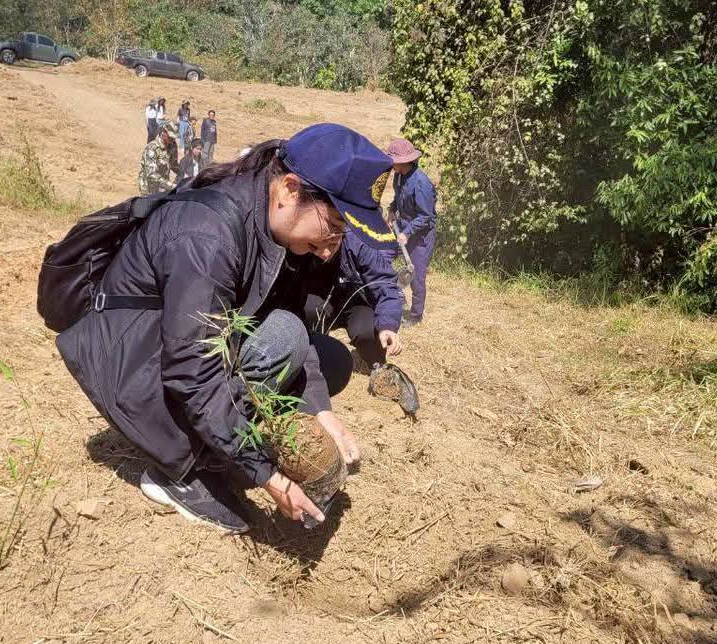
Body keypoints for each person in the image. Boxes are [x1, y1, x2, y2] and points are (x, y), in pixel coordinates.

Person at [56, 123, 394, 532]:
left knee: (326, 358)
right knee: (286, 335)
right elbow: (191, 370)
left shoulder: (267, 220)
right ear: (290, 190)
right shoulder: (209, 234)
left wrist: (321, 411)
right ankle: (180, 467)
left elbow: (280, 320)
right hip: (131, 368)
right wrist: (267, 475)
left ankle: (214, 445)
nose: (330, 249)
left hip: (172, 351)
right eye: (334, 228)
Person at [304, 228, 403, 372]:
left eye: (332, 244)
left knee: (367, 331)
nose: (325, 252)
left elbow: (383, 281)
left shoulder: (358, 242)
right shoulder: (300, 241)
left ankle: (378, 368)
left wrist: (388, 324)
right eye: (319, 245)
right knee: (309, 311)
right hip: (319, 299)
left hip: (356, 300)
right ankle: (313, 356)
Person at [387, 137, 437, 327]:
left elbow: (426, 217)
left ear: (404, 161)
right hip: (404, 228)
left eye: (394, 161)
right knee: (385, 257)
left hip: (421, 235)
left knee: (416, 275)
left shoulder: (421, 183)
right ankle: (398, 296)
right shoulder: (399, 176)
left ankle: (416, 316)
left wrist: (407, 232)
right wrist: (392, 210)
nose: (392, 164)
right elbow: (397, 197)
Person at [138, 120, 180, 195]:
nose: (173, 139)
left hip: (164, 188)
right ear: (163, 133)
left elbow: (173, 165)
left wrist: (184, 173)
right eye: (170, 136)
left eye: (174, 137)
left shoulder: (173, 145)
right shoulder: (152, 148)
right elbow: (151, 174)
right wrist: (171, 186)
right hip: (149, 189)